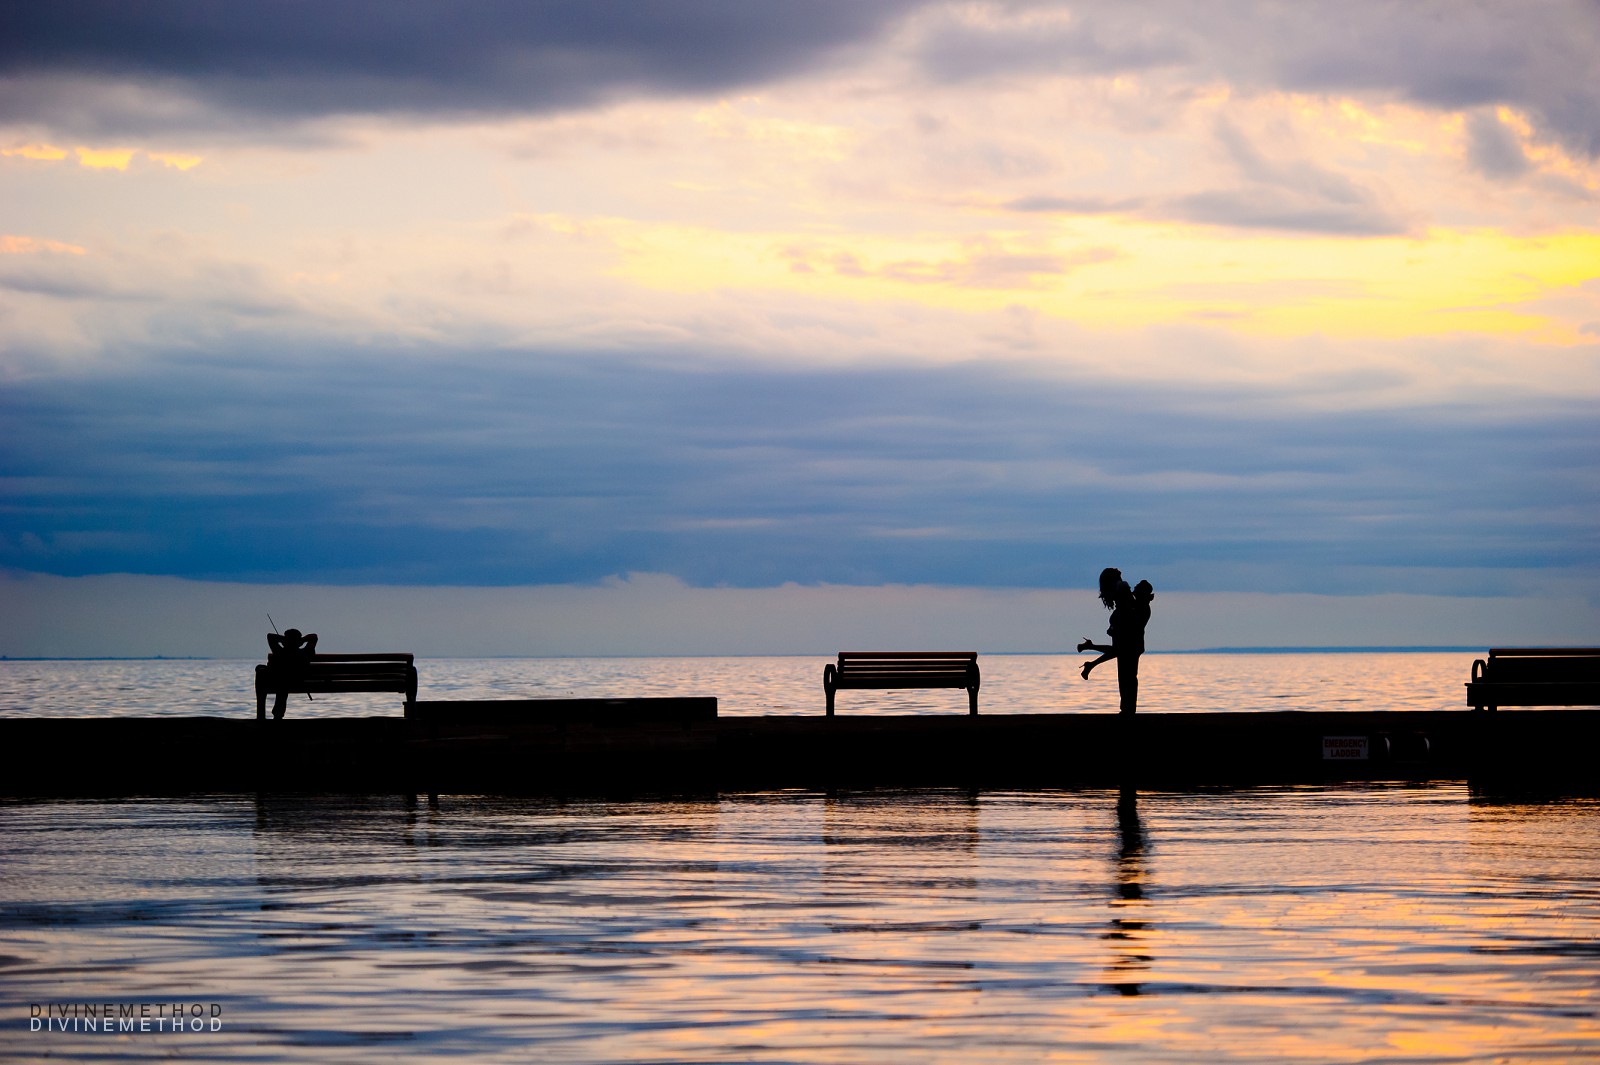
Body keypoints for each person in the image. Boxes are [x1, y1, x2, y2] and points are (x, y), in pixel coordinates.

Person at [1077, 572, 1154, 714]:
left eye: (1136, 588)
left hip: (1132, 643)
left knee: (1127, 676)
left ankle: (1127, 710)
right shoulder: (1136, 603)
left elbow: (1135, 622)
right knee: (1126, 676)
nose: (1133, 590)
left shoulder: (1141, 606)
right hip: (1130, 641)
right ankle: (1127, 710)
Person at [266, 627, 317, 720]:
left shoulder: (280, 652)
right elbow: (314, 637)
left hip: (283, 683)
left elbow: (270, 636)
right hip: (301, 682)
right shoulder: (306, 652)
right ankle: (278, 714)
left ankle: (278, 715)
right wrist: (301, 640)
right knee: (283, 683)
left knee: (282, 684)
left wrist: (285, 640)